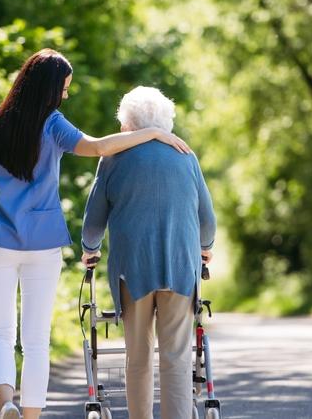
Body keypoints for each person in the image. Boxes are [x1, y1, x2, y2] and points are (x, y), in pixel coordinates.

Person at [0, 49, 190, 419]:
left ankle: (6, 402)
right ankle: (32, 416)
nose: (66, 96)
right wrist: (153, 132)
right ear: (49, 90)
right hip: (43, 241)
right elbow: (100, 147)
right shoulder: (52, 124)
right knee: (36, 341)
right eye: (64, 89)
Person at [80, 86, 216, 419]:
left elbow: (94, 218)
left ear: (128, 124)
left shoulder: (112, 158)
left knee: (139, 356)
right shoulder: (186, 155)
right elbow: (207, 218)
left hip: (133, 269)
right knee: (176, 358)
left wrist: (89, 250)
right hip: (181, 268)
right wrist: (205, 248)